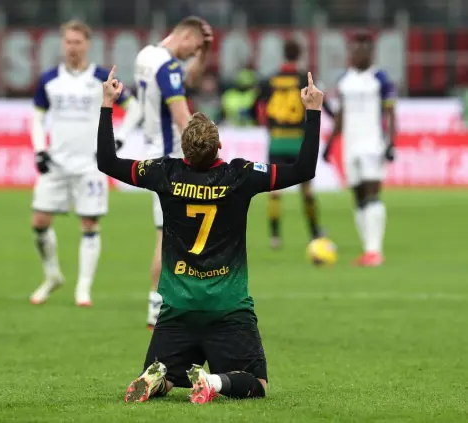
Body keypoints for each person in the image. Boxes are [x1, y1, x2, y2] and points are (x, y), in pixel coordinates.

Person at [96, 66, 323, 403]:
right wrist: (313, 111)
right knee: (256, 383)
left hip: (177, 309)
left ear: (184, 151)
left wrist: (106, 104)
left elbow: (107, 162)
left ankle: (161, 378)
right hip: (228, 308)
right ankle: (214, 384)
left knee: (170, 376)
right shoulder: (240, 175)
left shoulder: (164, 172)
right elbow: (304, 169)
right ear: (219, 146)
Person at [29, 20, 141, 306]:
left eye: (77, 42)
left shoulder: (102, 78)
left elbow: (134, 107)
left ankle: (83, 288)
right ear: (62, 44)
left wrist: (119, 139)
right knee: (39, 221)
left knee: (89, 223)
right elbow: (38, 118)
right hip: (57, 162)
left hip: (91, 164)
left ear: (87, 44)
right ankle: (53, 275)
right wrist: (40, 150)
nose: (72, 47)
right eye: (68, 41)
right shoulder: (49, 80)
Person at [134, 16, 213, 329]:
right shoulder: (167, 68)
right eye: (194, 47)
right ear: (185, 36)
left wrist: (203, 54)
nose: (194, 54)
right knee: (168, 235)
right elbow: (183, 118)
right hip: (172, 159)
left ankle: (169, 301)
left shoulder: (146, 56)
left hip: (153, 154)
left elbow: (188, 79)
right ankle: (158, 306)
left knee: (174, 233)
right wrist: (208, 146)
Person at [323, 32, 396, 267]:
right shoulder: (345, 80)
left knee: (372, 193)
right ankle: (368, 249)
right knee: (358, 197)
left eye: (359, 50)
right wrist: (329, 143)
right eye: (352, 50)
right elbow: (341, 116)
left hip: (373, 144)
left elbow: (391, 114)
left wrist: (391, 142)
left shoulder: (381, 79)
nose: (354, 54)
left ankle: (375, 250)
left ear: (370, 53)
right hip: (350, 146)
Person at [261, 39, 324, 249]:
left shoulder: (271, 80)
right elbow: (318, 102)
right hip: (298, 140)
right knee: (306, 191)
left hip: (277, 139)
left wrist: (268, 125)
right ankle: (315, 233)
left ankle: (275, 236)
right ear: (299, 55)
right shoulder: (303, 78)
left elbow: (258, 106)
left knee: (275, 192)